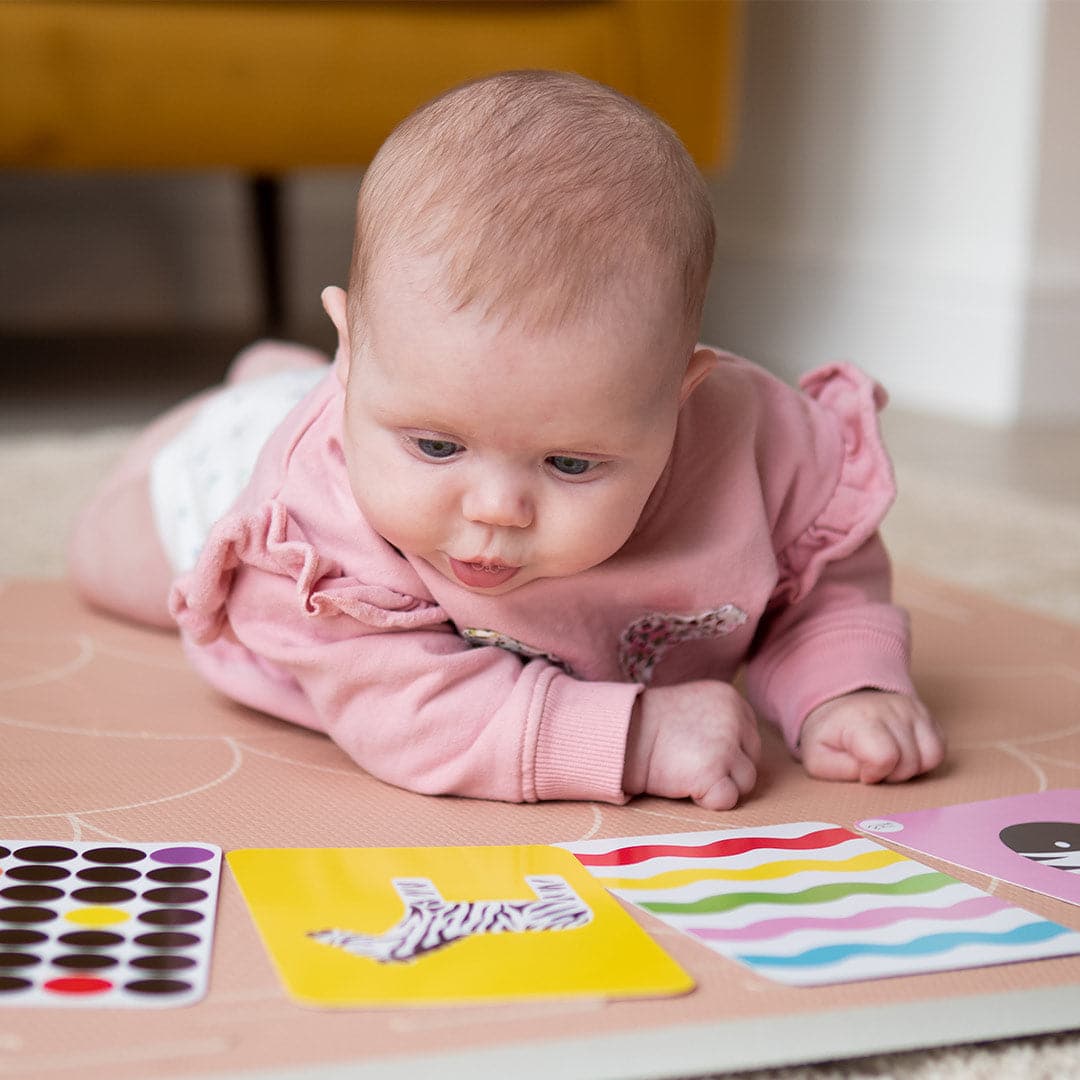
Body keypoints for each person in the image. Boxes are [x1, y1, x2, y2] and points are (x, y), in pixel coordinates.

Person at [69, 70, 945, 811]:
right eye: (439, 450)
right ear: (355, 352)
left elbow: (825, 582)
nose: (494, 511)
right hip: (251, 460)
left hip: (388, 394)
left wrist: (849, 683)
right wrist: (632, 738)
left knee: (437, 417)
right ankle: (263, 392)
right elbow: (406, 709)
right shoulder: (311, 527)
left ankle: (327, 395)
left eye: (571, 463)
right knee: (104, 560)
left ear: (680, 398)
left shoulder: (766, 451)